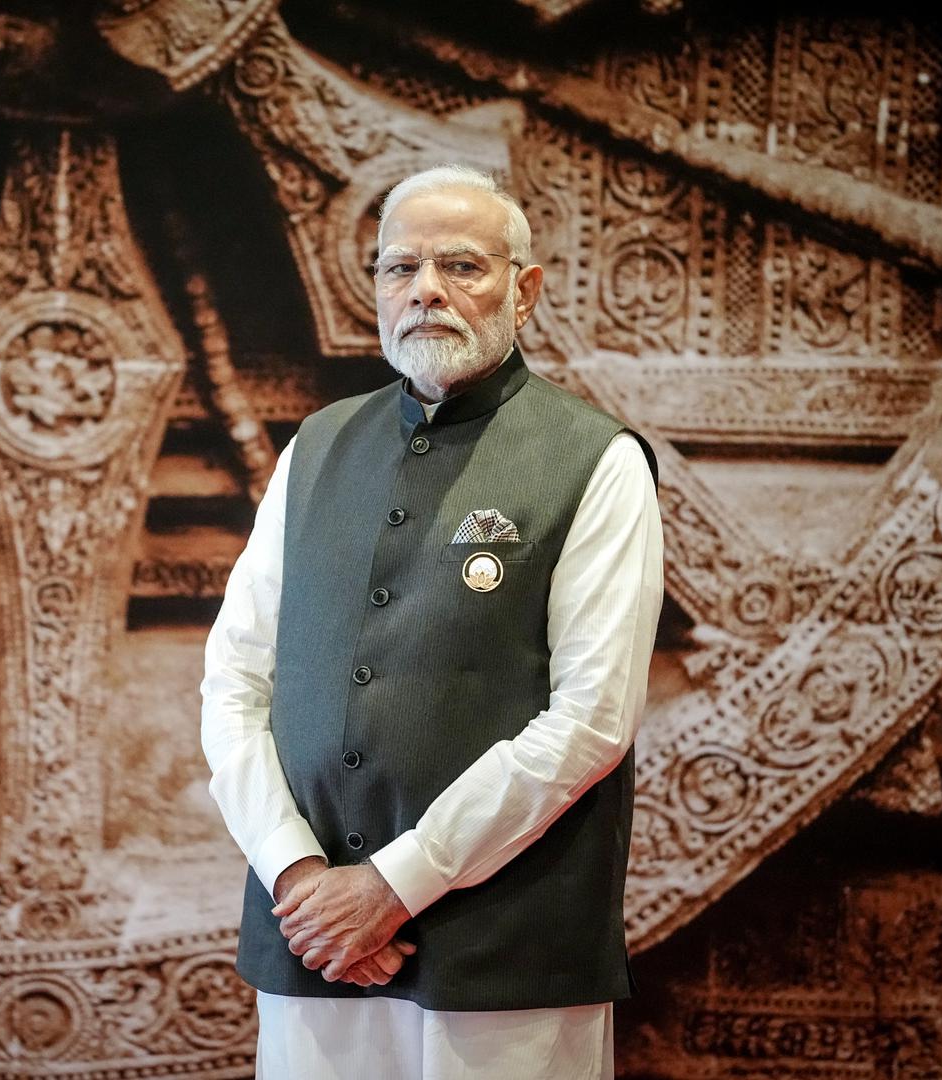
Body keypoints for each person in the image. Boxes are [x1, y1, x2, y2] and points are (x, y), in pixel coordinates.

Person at [199, 163, 664, 1079]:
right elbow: (234, 682)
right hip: (318, 942)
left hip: (506, 952)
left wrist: (391, 886)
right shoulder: (316, 448)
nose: (426, 292)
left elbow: (593, 720)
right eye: (399, 269)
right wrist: (302, 881)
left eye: (462, 267)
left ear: (524, 291)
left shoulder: (597, 462)